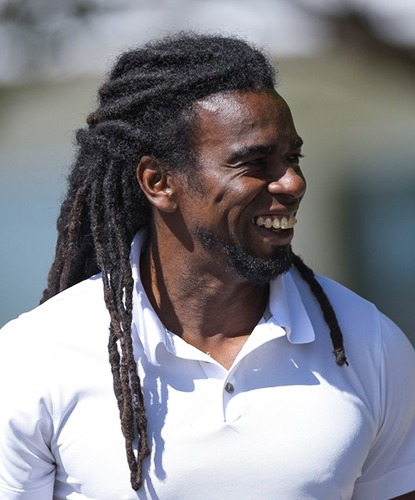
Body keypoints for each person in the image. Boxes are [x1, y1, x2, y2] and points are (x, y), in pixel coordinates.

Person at [0, 32, 414, 500]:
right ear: (159, 182)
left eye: (292, 158)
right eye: (255, 162)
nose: (293, 183)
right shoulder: (38, 355)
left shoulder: (366, 342)